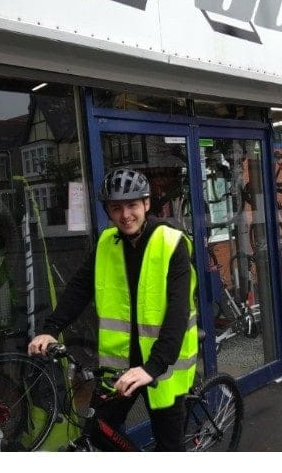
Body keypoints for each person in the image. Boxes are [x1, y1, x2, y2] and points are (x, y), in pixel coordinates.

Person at [27, 167, 198, 451]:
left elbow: (177, 313)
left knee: (170, 447)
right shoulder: (107, 242)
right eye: (116, 208)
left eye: (132, 205)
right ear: (108, 210)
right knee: (99, 431)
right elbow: (80, 287)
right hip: (119, 366)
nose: (125, 215)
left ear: (146, 204)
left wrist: (152, 367)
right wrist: (51, 329)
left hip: (162, 366)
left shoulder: (171, 243)